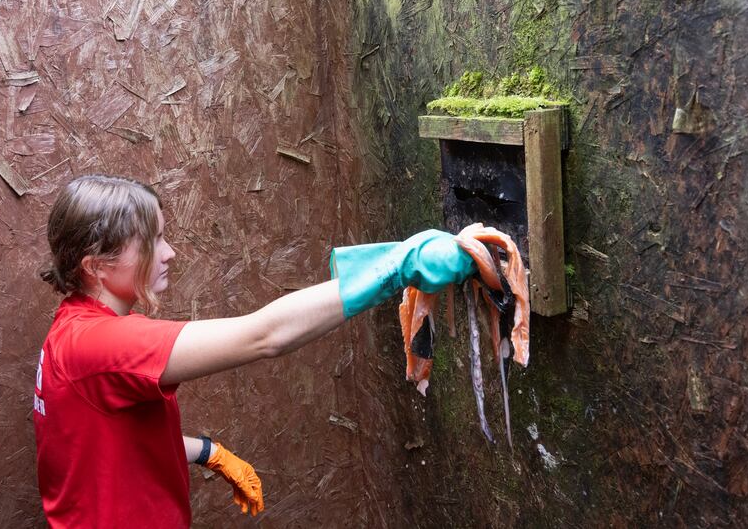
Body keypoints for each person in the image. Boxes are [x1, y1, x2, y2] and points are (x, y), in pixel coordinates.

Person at [34, 174, 476, 527]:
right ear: (95, 265)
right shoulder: (100, 344)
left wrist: (207, 452)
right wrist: (395, 270)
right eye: (151, 242)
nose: (169, 253)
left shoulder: (74, 330)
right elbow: (264, 336)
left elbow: (107, 444)